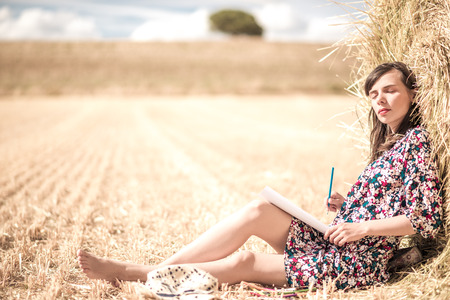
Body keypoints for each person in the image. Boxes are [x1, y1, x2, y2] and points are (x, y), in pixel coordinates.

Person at [77, 62, 443, 290]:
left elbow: (425, 218)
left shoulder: (417, 142)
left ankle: (136, 272)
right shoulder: (388, 146)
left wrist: (360, 227)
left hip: (356, 262)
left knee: (244, 264)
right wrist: (349, 207)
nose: (380, 100)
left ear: (414, 93)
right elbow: (388, 202)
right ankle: (159, 270)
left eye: (390, 90)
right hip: (337, 244)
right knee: (259, 210)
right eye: (374, 94)